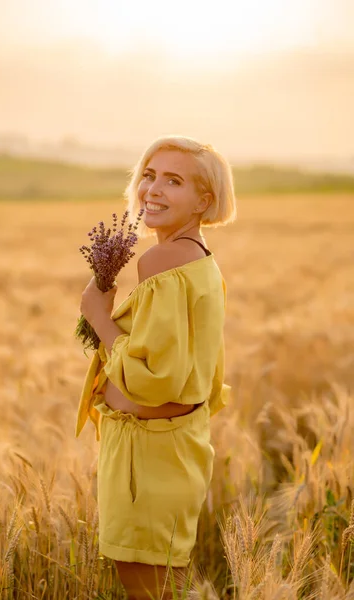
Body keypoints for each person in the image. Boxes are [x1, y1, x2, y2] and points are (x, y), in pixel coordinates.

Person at [76, 134, 237, 599]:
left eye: (174, 181)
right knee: (163, 585)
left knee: (146, 587)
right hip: (173, 448)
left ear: (204, 200)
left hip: (146, 460)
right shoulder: (199, 258)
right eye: (148, 175)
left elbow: (155, 379)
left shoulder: (164, 260)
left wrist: (99, 317)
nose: (154, 190)